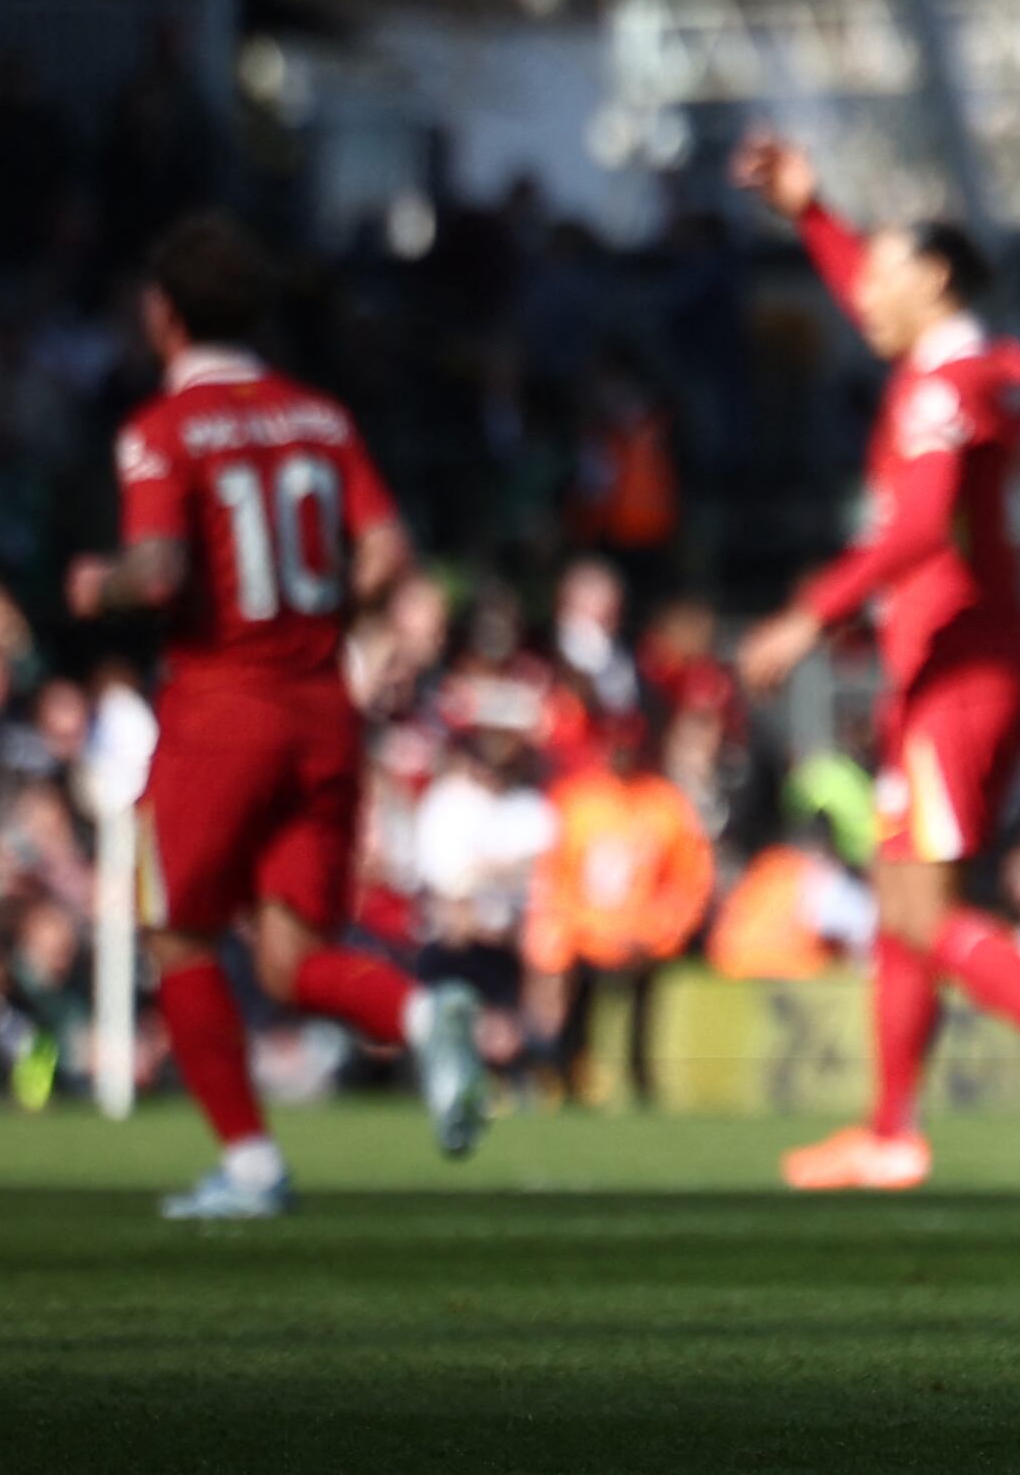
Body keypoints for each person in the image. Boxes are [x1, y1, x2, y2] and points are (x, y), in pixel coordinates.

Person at [727, 130, 1020, 1191]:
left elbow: (922, 525)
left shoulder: (940, 389)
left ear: (931, 278)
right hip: (959, 669)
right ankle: (890, 1130)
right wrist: (813, 214)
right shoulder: (958, 365)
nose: (858, 297)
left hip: (960, 678)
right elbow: (881, 321)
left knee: (923, 912)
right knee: (899, 908)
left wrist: (808, 612)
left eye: (880, 275)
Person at [66, 213, 486, 1219]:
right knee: (294, 960)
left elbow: (160, 567)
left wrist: (98, 586)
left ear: (163, 317)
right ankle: (422, 1010)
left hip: (222, 709)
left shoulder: (160, 432)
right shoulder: (320, 417)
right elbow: (387, 553)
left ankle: (251, 1163)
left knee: (175, 933)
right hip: (323, 711)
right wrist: (321, 611)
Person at [521, 716, 716, 1105]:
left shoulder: (664, 802)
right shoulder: (576, 800)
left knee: (643, 1025)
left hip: (646, 941)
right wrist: (578, 930)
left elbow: (690, 878)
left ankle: (641, 1082)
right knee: (579, 1020)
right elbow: (554, 877)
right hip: (587, 937)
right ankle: (569, 1079)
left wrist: (660, 931)